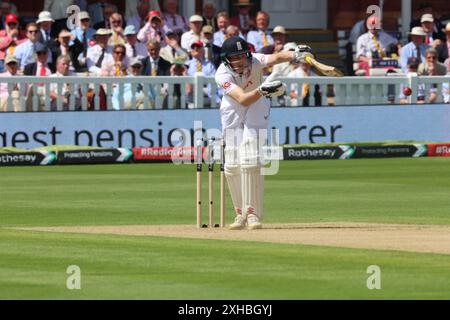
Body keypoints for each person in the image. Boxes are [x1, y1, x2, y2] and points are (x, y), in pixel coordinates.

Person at [215, 37, 311, 229]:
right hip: (234, 106)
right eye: (236, 58)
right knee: (232, 163)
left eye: (243, 56)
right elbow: (242, 99)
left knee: (250, 155)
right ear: (226, 59)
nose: (241, 61)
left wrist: (296, 54)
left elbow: (275, 58)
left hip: (258, 103)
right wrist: (262, 89)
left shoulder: (255, 61)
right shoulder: (222, 74)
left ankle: (252, 214)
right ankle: (239, 214)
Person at [186, 40, 218, 108]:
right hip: (192, 97)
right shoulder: (186, 64)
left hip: (208, 96)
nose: (195, 48)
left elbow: (214, 79)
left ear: (203, 50)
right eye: (193, 47)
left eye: (198, 47)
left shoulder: (209, 64)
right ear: (191, 51)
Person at [23, 43, 52, 112]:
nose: (42, 55)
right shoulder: (29, 67)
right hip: (35, 92)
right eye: (39, 53)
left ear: (47, 54)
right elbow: (26, 84)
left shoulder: (52, 67)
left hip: (50, 92)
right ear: (35, 55)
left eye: (44, 53)